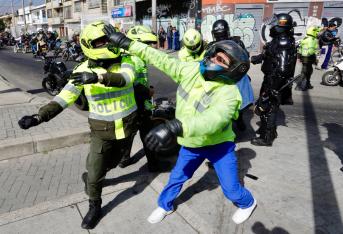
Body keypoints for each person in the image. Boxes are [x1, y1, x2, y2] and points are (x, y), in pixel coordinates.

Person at [101, 25, 257, 225]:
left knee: (231, 189)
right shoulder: (192, 70)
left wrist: (175, 126)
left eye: (221, 60)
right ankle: (164, 205)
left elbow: (213, 120)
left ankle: (248, 202)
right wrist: (127, 43)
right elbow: (161, 58)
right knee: (177, 178)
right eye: (215, 55)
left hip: (219, 147)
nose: (212, 59)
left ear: (231, 70)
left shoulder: (230, 93)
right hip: (191, 144)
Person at [18, 21, 138, 229]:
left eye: (108, 39)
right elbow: (64, 98)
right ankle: (94, 206)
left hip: (126, 129)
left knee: (113, 164)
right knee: (94, 171)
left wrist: (96, 77)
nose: (107, 44)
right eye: (101, 41)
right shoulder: (81, 70)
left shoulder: (127, 60)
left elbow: (126, 79)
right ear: (89, 45)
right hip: (101, 131)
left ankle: (97, 175)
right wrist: (39, 117)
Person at [119, 25, 165, 172]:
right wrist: (148, 92)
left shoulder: (133, 57)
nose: (148, 47)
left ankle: (124, 159)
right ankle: (154, 165)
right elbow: (132, 85)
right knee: (148, 133)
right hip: (139, 103)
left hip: (132, 104)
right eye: (145, 44)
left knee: (130, 132)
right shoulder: (134, 60)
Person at [250, 13, 297, 146]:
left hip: (275, 81)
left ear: (281, 26)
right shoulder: (280, 39)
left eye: (275, 24)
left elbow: (283, 69)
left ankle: (267, 138)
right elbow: (271, 54)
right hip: (270, 79)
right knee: (265, 106)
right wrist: (258, 58)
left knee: (269, 108)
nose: (272, 27)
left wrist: (273, 88)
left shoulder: (283, 42)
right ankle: (266, 130)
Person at [210, 19, 254, 131]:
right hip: (220, 77)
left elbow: (245, 58)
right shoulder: (212, 46)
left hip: (233, 76)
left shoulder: (236, 43)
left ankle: (239, 117)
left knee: (244, 79)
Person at [295, 26, 321, 91]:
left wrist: (299, 57)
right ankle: (299, 86)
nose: (317, 34)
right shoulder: (313, 40)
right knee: (305, 72)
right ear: (313, 32)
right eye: (316, 32)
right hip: (308, 58)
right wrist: (316, 57)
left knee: (308, 71)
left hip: (304, 58)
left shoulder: (305, 39)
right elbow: (312, 51)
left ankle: (307, 84)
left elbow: (300, 49)